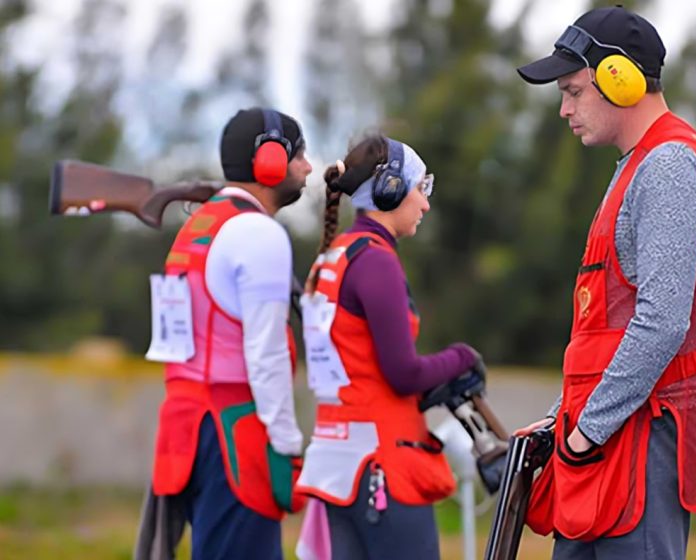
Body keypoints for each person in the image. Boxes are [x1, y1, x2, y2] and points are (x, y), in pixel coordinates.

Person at [514, 6, 696, 560]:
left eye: (573, 91)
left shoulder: (666, 168)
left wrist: (583, 432)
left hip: (636, 441)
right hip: (608, 435)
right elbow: (607, 325)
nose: (564, 108)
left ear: (622, 79)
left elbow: (662, 321)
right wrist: (560, 416)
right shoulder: (638, 165)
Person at [293, 135, 483, 560]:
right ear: (390, 188)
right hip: (381, 460)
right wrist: (462, 358)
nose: (425, 204)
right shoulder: (376, 260)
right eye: (421, 188)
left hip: (336, 461)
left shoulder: (334, 254)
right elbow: (403, 374)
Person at [145, 107, 313, 559]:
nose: (308, 167)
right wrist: (287, 444)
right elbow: (267, 352)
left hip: (187, 427)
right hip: (235, 432)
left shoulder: (197, 226)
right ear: (270, 160)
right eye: (299, 154)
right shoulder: (258, 233)